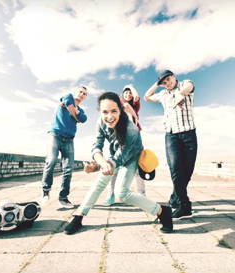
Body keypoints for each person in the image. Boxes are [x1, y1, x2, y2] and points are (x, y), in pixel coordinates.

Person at [64, 91, 173, 234]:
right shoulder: (101, 122)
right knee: (99, 183)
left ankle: (162, 211)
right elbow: (96, 146)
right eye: (105, 112)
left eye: (114, 111)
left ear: (120, 111)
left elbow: (121, 158)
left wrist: (103, 165)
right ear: (100, 112)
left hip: (132, 157)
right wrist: (101, 162)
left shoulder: (131, 129)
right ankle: (79, 216)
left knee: (121, 193)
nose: (109, 117)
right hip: (114, 155)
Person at [144, 70, 197, 219]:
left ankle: (175, 197)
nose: (167, 83)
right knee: (175, 168)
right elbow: (147, 97)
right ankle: (184, 205)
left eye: (168, 79)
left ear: (173, 76)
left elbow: (190, 86)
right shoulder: (162, 95)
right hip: (171, 135)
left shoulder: (184, 84)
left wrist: (179, 95)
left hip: (189, 134)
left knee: (187, 171)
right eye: (164, 82)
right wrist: (157, 83)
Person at [40, 86, 88, 209]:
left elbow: (83, 119)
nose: (82, 94)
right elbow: (68, 103)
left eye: (84, 94)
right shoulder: (67, 97)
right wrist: (75, 114)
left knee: (68, 169)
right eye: (80, 92)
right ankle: (45, 192)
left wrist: (75, 112)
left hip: (69, 140)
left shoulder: (81, 111)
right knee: (50, 161)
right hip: (55, 135)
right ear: (75, 92)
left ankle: (63, 197)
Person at [102, 84, 145, 206]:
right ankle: (110, 195)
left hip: (134, 140)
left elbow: (136, 97)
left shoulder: (135, 106)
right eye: (126, 93)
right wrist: (136, 117)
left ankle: (142, 195)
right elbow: (124, 105)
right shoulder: (119, 106)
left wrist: (132, 87)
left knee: (138, 168)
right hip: (119, 138)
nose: (128, 95)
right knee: (114, 168)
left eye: (130, 93)